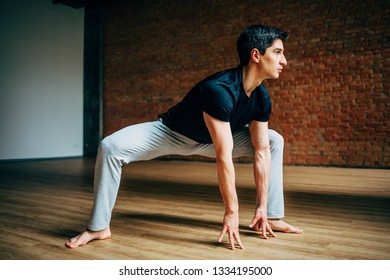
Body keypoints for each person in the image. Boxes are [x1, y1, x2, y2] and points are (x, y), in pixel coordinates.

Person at [66, 24, 302, 251]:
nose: (284, 61)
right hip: (171, 133)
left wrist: (260, 206)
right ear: (256, 55)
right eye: (278, 52)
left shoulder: (261, 98)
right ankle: (98, 227)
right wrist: (232, 211)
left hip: (213, 140)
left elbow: (261, 150)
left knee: (272, 140)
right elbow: (224, 156)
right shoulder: (219, 90)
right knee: (110, 146)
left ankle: (271, 216)